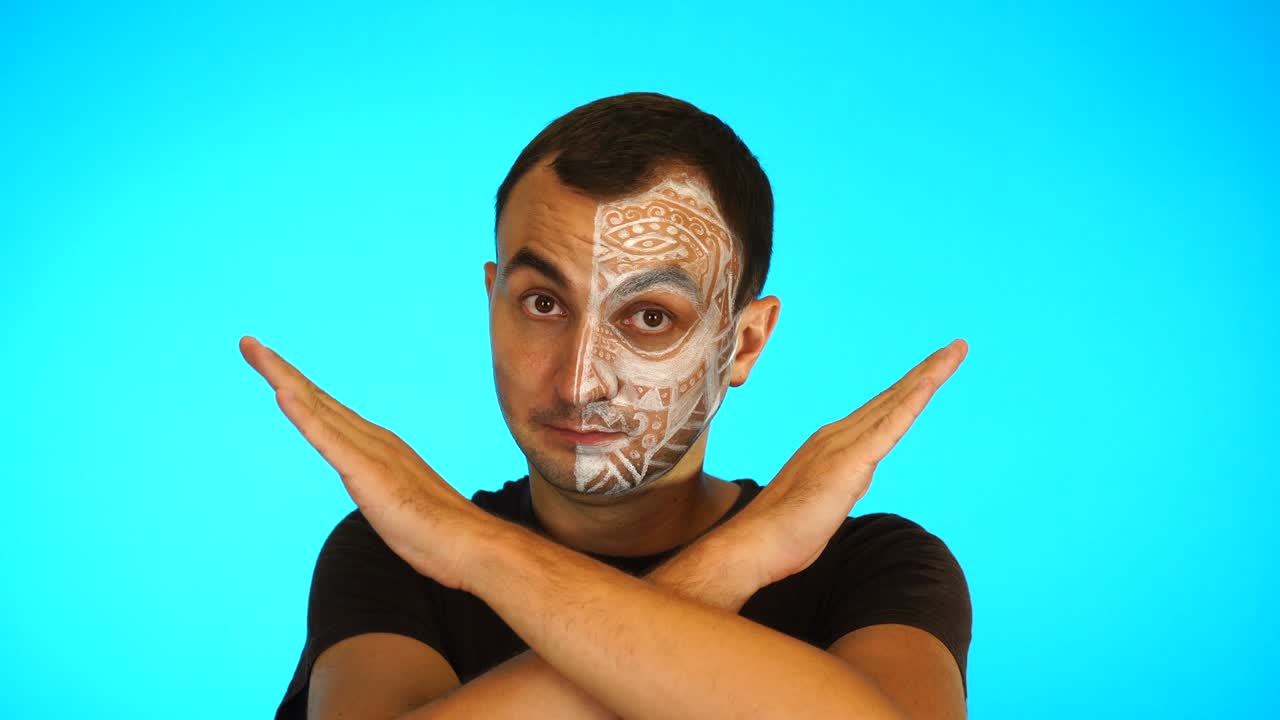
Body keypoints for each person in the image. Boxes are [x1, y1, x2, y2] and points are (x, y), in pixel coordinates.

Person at [244, 92, 972, 719]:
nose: (579, 382)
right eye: (542, 302)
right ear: (491, 301)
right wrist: (736, 564)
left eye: (650, 317)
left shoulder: (874, 569)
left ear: (744, 345)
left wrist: (478, 552)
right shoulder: (393, 557)